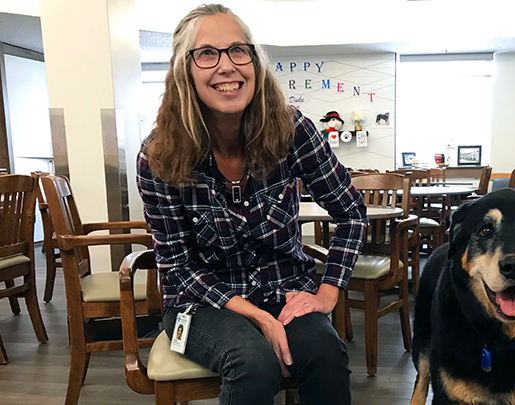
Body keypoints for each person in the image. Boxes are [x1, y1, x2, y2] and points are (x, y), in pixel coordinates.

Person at [136, 4, 367, 405]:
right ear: (183, 71)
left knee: (326, 353)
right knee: (253, 361)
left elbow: (351, 212)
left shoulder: (293, 131)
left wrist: (328, 294)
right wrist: (259, 318)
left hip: (285, 291)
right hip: (200, 304)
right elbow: (179, 267)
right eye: (207, 53)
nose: (227, 66)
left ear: (255, 62)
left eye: (238, 51)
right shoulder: (158, 156)